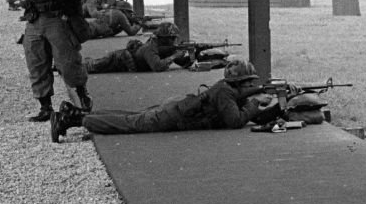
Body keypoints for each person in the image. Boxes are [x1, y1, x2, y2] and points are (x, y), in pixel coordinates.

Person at [49, 58, 271, 142]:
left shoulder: (226, 89)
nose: (251, 86)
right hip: (175, 116)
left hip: (177, 108)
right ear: (240, 81)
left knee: (131, 117)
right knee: (132, 124)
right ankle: (73, 119)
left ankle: (75, 113)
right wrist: (253, 104)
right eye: (249, 83)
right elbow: (235, 121)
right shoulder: (225, 93)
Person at [84, 22, 194, 74]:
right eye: (172, 38)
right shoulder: (151, 47)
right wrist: (175, 56)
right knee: (93, 66)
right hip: (118, 59)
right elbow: (157, 66)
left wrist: (194, 54)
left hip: (128, 63)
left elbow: (184, 63)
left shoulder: (166, 47)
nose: (174, 41)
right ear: (164, 38)